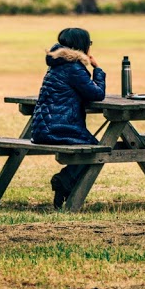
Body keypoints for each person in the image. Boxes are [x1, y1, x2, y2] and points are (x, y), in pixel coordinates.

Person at [30, 27, 106, 208]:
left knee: (93, 147)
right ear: (83, 46)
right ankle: (64, 180)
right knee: (97, 150)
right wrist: (98, 69)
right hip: (59, 128)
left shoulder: (57, 64)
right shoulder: (73, 68)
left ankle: (65, 184)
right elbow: (97, 94)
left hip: (43, 127)